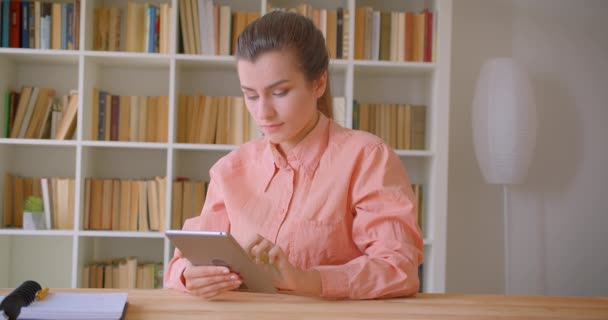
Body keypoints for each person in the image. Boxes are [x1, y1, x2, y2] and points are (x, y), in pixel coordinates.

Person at [164, 10, 423, 300]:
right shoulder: (230, 170)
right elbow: (179, 265)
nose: (263, 113)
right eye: (250, 95)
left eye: (280, 92)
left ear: (319, 83)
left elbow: (399, 269)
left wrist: (306, 280)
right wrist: (190, 275)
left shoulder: (368, 159)